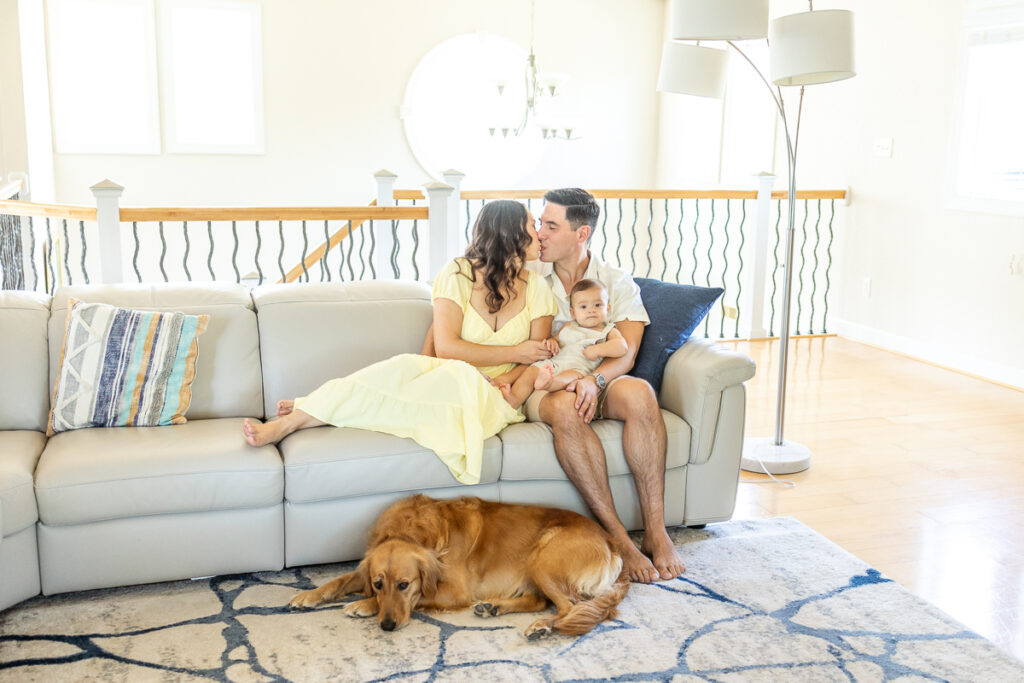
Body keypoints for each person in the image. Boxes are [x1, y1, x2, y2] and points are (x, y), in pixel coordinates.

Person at [242, 200, 557, 486]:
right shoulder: (457, 274)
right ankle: (295, 420)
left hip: (492, 393)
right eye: (533, 225)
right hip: (447, 372)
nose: (540, 233)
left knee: (436, 381)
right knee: (398, 369)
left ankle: (316, 405)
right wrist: (515, 351)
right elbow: (447, 347)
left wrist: (507, 375)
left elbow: (534, 356)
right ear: (509, 232)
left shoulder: (538, 288)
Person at [525, 188, 686, 584]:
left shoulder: (615, 282)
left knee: (640, 392)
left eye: (550, 225)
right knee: (564, 406)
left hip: (598, 379)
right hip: (550, 384)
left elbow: (627, 353)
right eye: (539, 223)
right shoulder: (530, 278)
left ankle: (656, 530)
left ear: (581, 234)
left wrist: (594, 382)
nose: (539, 233)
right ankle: (617, 537)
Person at [498, 278, 627, 409]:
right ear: (573, 313)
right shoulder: (568, 326)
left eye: (598, 305)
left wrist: (599, 349)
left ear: (608, 308)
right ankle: (514, 399)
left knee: (568, 377)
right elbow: (555, 339)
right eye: (583, 307)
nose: (591, 310)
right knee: (531, 371)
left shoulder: (607, 330)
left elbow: (622, 347)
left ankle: (548, 383)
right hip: (554, 363)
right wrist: (552, 342)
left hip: (578, 370)